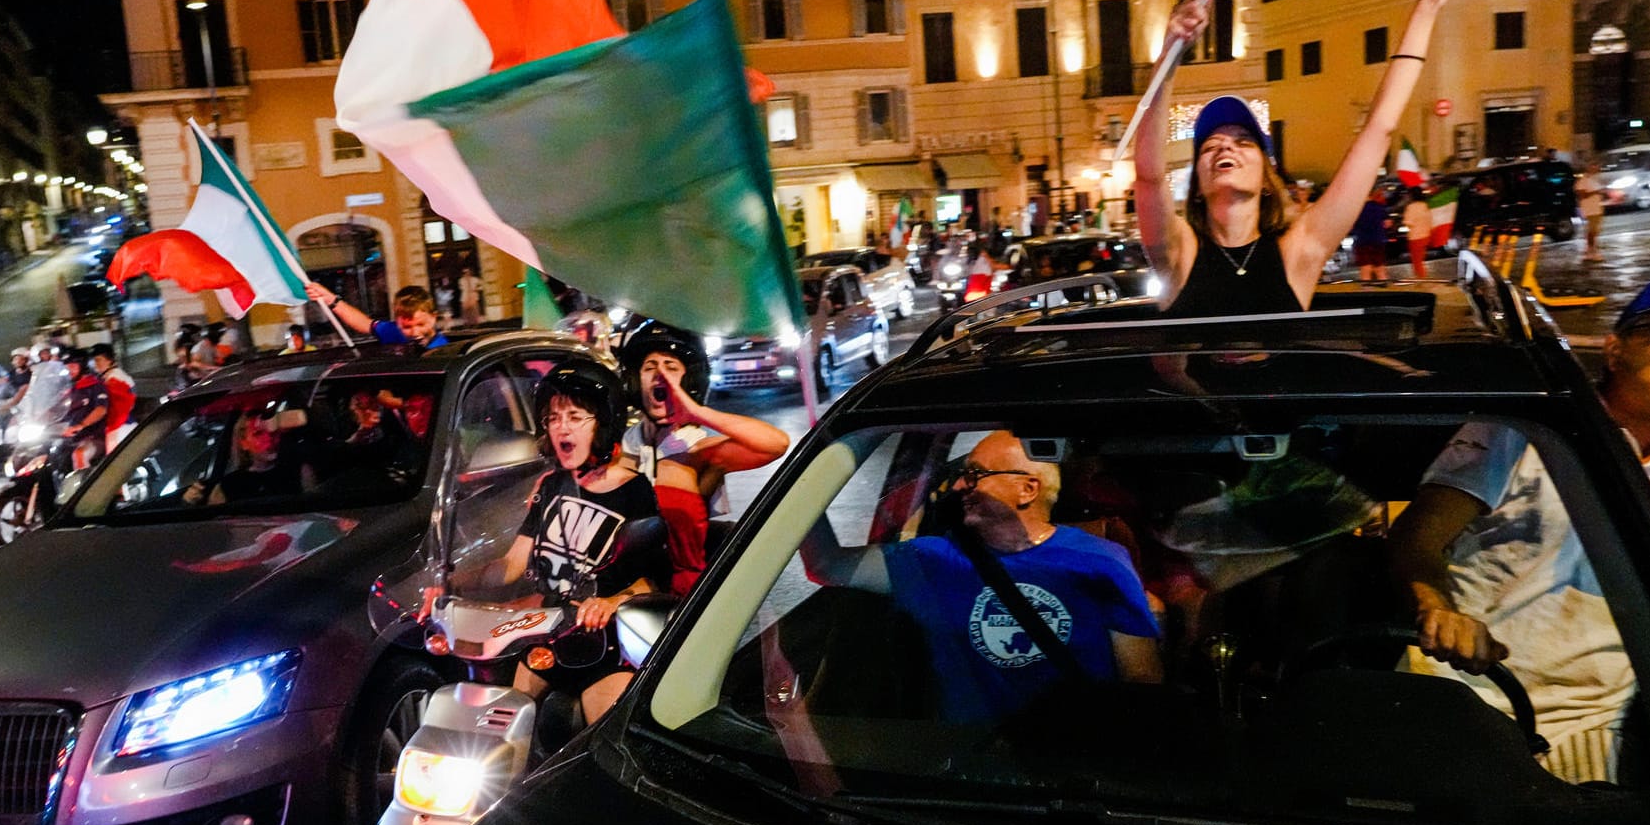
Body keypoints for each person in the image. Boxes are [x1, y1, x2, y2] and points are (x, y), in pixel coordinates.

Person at [1387, 281, 1650, 784]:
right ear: (1616, 351)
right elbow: (1417, 536)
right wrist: (1437, 609)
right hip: (1466, 692)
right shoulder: (1524, 428)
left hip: (1596, 719)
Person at [1135, 0, 1469, 315]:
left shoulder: (1300, 250)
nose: (1225, 145)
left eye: (1244, 141)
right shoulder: (1180, 253)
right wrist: (1170, 53)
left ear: (1266, 179)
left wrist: (1427, 6)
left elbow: (1379, 129)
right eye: (1210, 145)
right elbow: (1148, 174)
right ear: (1196, 189)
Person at [803, 431, 1162, 722]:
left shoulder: (1101, 560)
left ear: (1028, 489)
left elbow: (1141, 682)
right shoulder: (933, 559)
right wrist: (804, 484)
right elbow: (827, 564)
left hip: (1073, 761)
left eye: (975, 474)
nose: (958, 486)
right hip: (969, 764)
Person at [427, 360, 664, 723]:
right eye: (553, 418)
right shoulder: (553, 486)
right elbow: (510, 566)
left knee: (602, 746)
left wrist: (610, 602)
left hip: (605, 647)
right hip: (547, 638)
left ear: (603, 422)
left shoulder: (634, 491)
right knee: (497, 725)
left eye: (574, 416)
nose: (561, 427)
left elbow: (650, 580)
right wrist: (450, 583)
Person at [618, 320, 790, 597]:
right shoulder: (625, 443)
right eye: (650, 367)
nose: (660, 375)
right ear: (634, 380)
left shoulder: (698, 448)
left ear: (690, 380)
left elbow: (777, 444)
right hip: (627, 585)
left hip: (681, 597)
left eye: (671, 367)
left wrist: (696, 412)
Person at [183, 411, 318, 506]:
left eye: (272, 431)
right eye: (258, 433)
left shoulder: (300, 471)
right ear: (244, 443)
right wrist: (187, 504)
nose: (269, 439)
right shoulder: (228, 486)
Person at [305, 281, 447, 349]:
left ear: (434, 317)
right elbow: (364, 323)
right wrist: (330, 299)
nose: (415, 332)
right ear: (397, 322)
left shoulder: (443, 350)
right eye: (407, 326)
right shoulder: (393, 332)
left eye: (421, 324)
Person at [57, 351, 110, 472]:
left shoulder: (96, 385)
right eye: (66, 367)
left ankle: (86, 487)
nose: (69, 370)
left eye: (73, 366)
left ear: (84, 366)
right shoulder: (70, 389)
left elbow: (101, 410)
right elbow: (57, 409)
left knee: (79, 454)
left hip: (93, 437)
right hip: (70, 438)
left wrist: (81, 425)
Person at [89, 344, 137, 451]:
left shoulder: (115, 379)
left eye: (99, 360)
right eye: (94, 360)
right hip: (118, 426)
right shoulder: (108, 377)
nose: (96, 364)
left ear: (109, 360)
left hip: (121, 427)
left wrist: (112, 431)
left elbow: (118, 410)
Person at [1351, 185, 1392, 283]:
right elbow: (1388, 224)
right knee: (1380, 268)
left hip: (1362, 241)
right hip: (1378, 240)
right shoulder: (1379, 207)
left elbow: (1351, 226)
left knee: (1365, 269)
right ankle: (1385, 291)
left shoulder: (1356, 209)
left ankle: (1367, 292)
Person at [1577, 158, 1607, 263]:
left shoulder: (1597, 179)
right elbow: (1581, 194)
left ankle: (1590, 251)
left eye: (1597, 166)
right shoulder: (1584, 179)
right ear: (1589, 167)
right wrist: (1596, 192)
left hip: (1597, 208)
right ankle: (1592, 252)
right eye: (1593, 165)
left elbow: (1601, 192)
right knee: (1592, 231)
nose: (1596, 168)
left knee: (1594, 231)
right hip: (1590, 209)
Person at [1402, 186, 1434, 279]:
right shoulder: (1425, 205)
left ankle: (1421, 279)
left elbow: (1408, 222)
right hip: (1426, 236)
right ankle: (1421, 278)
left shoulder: (1411, 207)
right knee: (1420, 260)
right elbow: (1430, 220)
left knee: (1416, 261)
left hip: (1415, 237)